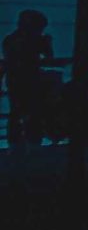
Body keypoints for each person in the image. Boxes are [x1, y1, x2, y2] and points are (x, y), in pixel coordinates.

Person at [4, 9, 58, 149]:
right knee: (33, 111)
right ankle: (32, 141)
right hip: (30, 81)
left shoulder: (10, 40)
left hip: (15, 81)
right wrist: (47, 43)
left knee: (17, 112)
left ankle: (15, 142)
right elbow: (49, 58)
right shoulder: (34, 41)